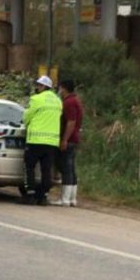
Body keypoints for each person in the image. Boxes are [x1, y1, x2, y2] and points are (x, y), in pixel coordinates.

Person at [19, 75, 62, 206]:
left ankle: (30, 195)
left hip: (35, 140)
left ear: (44, 87)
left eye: (39, 85)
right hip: (51, 141)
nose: (37, 87)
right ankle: (43, 196)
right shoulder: (58, 101)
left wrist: (25, 124)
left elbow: (26, 116)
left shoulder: (36, 99)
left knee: (29, 167)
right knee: (46, 170)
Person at [56, 79, 83, 207]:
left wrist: (64, 139)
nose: (59, 90)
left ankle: (65, 199)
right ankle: (72, 198)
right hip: (74, 138)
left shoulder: (68, 102)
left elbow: (71, 122)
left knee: (66, 168)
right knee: (71, 169)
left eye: (60, 87)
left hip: (70, 139)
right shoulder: (76, 100)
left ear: (64, 88)